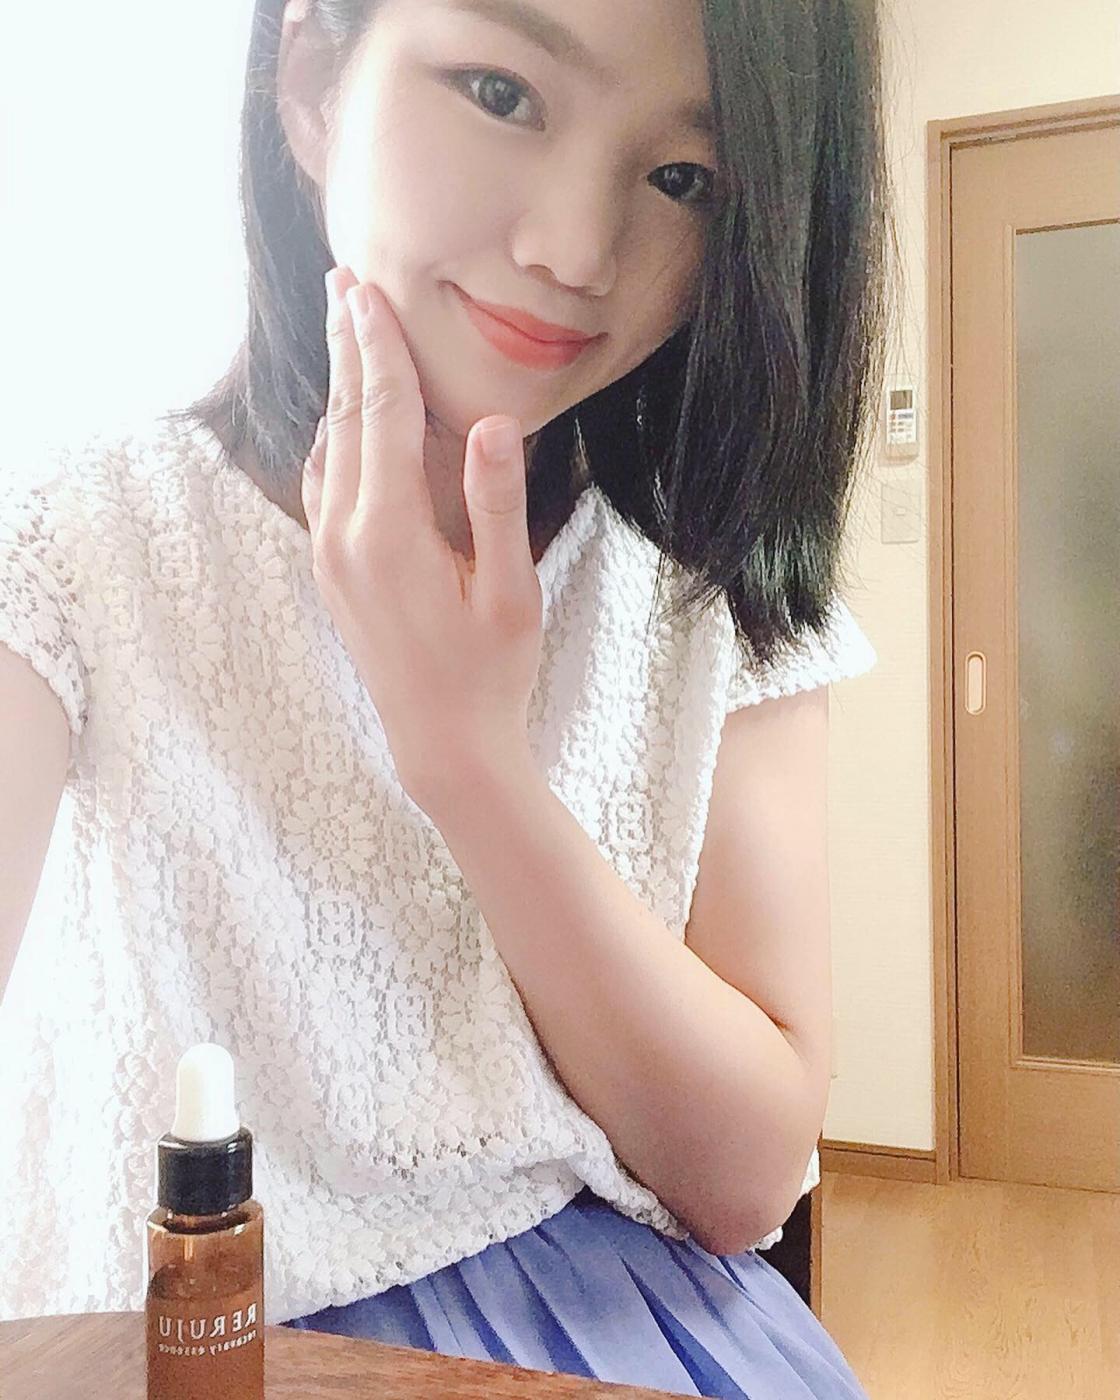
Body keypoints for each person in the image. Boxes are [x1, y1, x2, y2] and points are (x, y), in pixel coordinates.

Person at [0, 0, 898, 1394]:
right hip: (199, 1342)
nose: (576, 251)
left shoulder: (708, 598)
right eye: (501, 91)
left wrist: (470, 760)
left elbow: (747, 1180)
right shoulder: (83, 546)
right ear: (313, 76)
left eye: (682, 178)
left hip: (645, 1338)